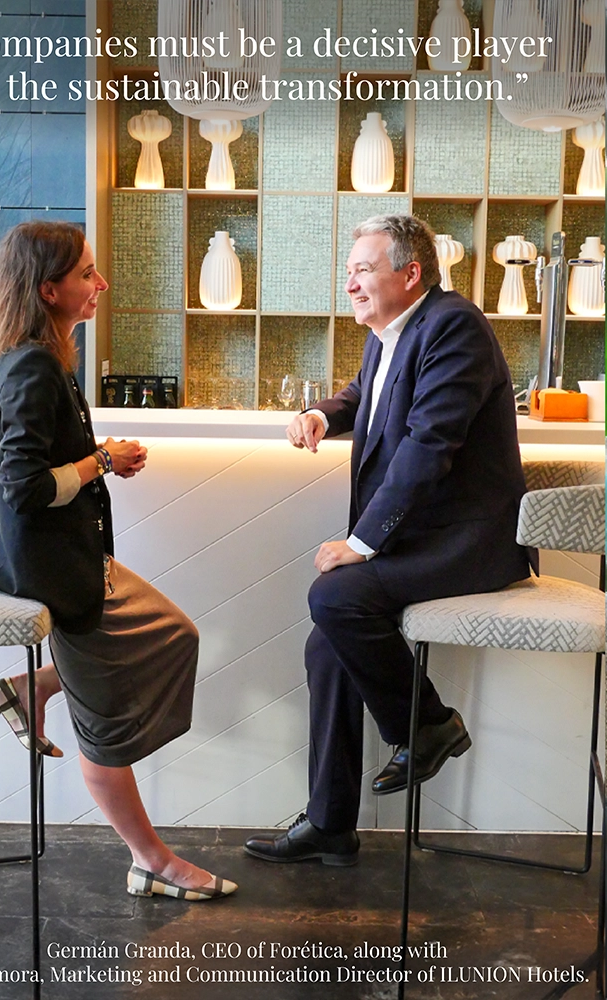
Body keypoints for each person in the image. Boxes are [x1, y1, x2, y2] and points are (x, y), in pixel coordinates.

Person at [0, 221, 237, 902]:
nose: (100, 284)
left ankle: (32, 688)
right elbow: (26, 486)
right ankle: (152, 861)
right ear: (49, 290)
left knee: (174, 634)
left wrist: (94, 468)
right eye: (87, 274)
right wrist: (102, 461)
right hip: (53, 571)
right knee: (105, 732)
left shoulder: (40, 357)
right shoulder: (34, 368)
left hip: (72, 557)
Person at [244, 214, 535, 866]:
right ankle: (330, 824)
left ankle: (429, 725)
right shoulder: (391, 332)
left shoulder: (454, 327)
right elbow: (367, 396)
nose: (350, 282)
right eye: (349, 271)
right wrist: (325, 412)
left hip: (468, 544)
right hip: (425, 538)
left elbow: (429, 444)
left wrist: (364, 542)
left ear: (410, 273)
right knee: (329, 647)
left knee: (336, 599)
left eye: (363, 270)